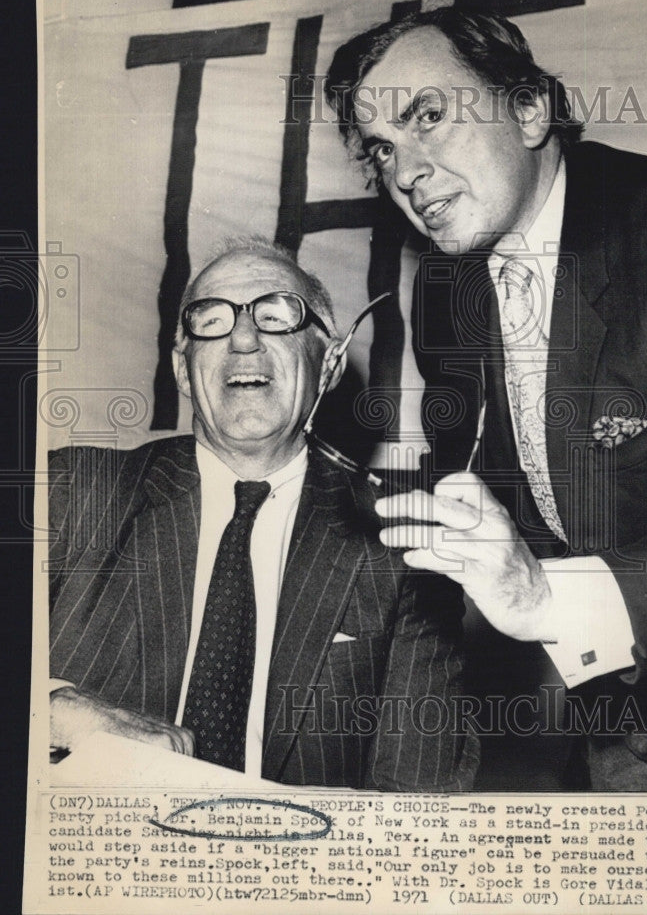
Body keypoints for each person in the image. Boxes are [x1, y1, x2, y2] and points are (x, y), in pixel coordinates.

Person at [326, 7, 647, 790]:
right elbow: (500, 515)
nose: (404, 172)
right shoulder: (445, 289)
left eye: (428, 119)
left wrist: (552, 600)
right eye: (382, 148)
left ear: (528, 109)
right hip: (591, 715)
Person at [48, 237, 478, 791]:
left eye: (276, 318)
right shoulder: (70, 492)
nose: (244, 341)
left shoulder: (402, 546)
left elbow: (421, 808)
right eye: (212, 321)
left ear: (329, 365)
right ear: (182, 368)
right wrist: (52, 710)